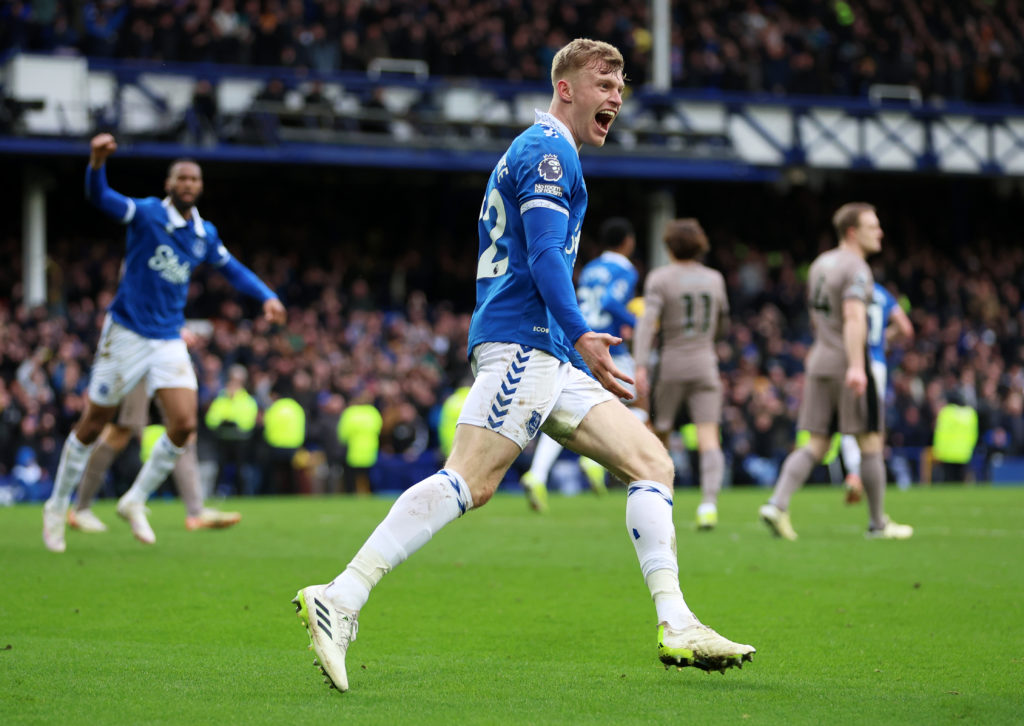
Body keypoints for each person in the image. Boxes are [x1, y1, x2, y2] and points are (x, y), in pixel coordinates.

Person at [293, 38, 755, 694]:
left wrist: (573, 343)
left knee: (652, 464)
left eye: (622, 83)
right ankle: (342, 595)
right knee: (472, 481)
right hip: (526, 341)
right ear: (565, 88)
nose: (617, 95)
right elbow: (543, 256)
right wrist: (581, 334)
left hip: (550, 349)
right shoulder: (547, 149)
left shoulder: (548, 150)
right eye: (605, 81)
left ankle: (676, 621)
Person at [41, 133, 286, 553]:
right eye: (182, 178)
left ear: (201, 187)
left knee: (184, 424)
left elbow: (234, 270)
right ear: (169, 184)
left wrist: (267, 296)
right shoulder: (148, 214)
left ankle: (133, 499)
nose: (188, 183)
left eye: (195, 178)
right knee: (94, 424)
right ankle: (57, 506)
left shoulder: (203, 233)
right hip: (125, 334)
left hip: (168, 338)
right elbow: (100, 197)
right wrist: (97, 162)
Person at [758, 202, 912, 541]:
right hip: (848, 362)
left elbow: (816, 319)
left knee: (816, 443)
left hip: (819, 359)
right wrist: (858, 366)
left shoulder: (819, 264)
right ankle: (877, 524)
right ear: (853, 231)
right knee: (871, 443)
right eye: (873, 226)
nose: (880, 232)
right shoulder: (857, 268)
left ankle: (777, 504)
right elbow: (854, 317)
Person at [519, 216, 642, 511]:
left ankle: (538, 474)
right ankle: (592, 461)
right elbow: (612, 303)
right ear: (628, 242)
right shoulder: (625, 270)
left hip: (578, 339)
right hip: (605, 346)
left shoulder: (592, 269)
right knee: (634, 401)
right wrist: (639, 321)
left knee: (569, 409)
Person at [634, 219, 729, 531]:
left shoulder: (660, 278)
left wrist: (640, 365)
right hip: (705, 362)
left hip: (672, 363)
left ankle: (658, 503)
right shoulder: (714, 278)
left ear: (669, 246)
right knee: (709, 437)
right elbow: (723, 322)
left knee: (660, 433)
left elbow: (648, 323)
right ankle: (708, 505)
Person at [68, 375, 242, 534]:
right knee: (118, 434)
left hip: (166, 355)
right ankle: (80, 509)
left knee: (183, 430)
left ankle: (196, 511)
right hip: (139, 357)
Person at [838, 281, 913, 502]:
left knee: (850, 417)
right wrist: (882, 339)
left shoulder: (850, 291)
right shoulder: (883, 294)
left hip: (855, 360)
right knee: (873, 421)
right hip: (878, 364)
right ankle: (872, 472)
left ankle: (854, 472)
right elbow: (905, 328)